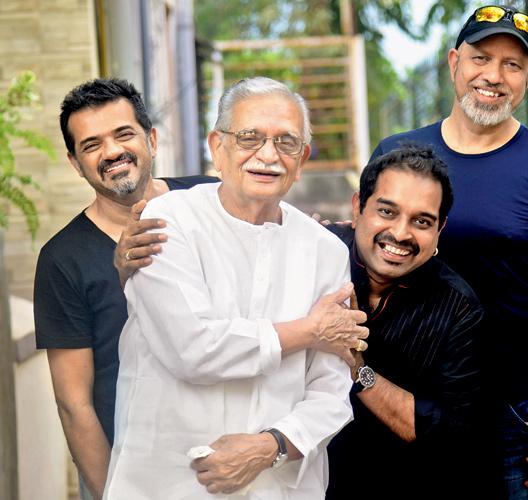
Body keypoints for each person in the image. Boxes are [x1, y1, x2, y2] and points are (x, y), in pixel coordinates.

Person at [370, 6, 528, 499]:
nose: (493, 76)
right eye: (481, 57)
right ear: (454, 61)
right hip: (410, 394)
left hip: (522, 403)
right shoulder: (399, 154)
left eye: (513, 64)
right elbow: (365, 253)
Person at [103, 77, 367, 499]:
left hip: (279, 484)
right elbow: (192, 348)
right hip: (170, 480)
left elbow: (332, 388)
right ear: (217, 148)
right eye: (249, 137)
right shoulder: (166, 221)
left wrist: (271, 446)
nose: (267, 155)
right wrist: (310, 331)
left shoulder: (325, 251)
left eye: (286, 142)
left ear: (301, 161)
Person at [33, 78, 219, 500]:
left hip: (230, 452)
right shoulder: (63, 259)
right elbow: (74, 403)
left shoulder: (209, 199)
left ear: (151, 138)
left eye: (123, 134)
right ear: (74, 162)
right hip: (136, 470)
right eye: (91, 145)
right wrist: (111, 492)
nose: (112, 152)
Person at [324, 145, 485, 499]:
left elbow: (444, 431)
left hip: (400, 481)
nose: (400, 233)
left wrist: (358, 369)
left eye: (422, 221)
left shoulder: (458, 308)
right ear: (357, 207)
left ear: (440, 230)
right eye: (386, 211)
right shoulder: (318, 253)